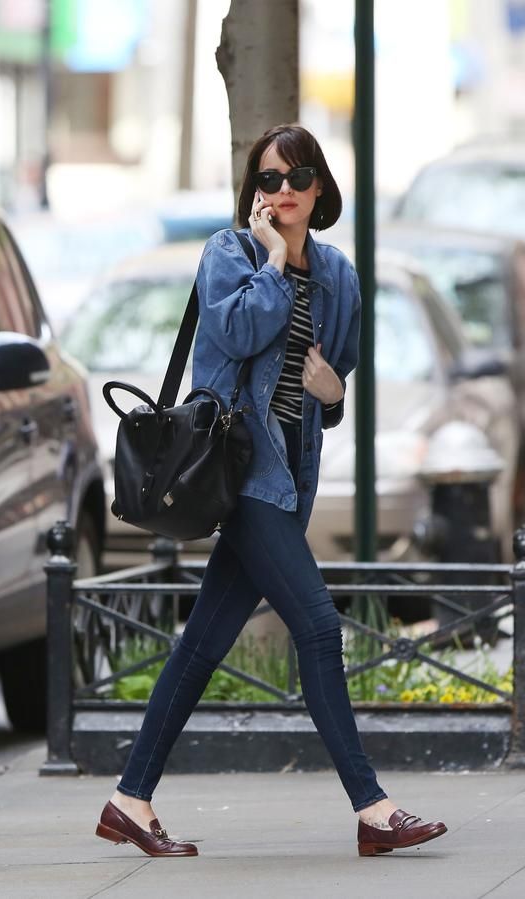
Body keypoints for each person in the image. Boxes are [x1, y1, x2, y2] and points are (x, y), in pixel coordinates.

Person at [96, 124, 447, 859]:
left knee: (202, 644)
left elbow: (333, 375)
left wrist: (331, 394)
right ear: (252, 193)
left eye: (295, 179)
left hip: (289, 480)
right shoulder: (228, 255)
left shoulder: (341, 275)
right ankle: (373, 808)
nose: (280, 191)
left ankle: (129, 798)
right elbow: (236, 330)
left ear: (319, 189)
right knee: (318, 627)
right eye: (267, 180)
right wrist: (275, 259)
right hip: (239, 475)